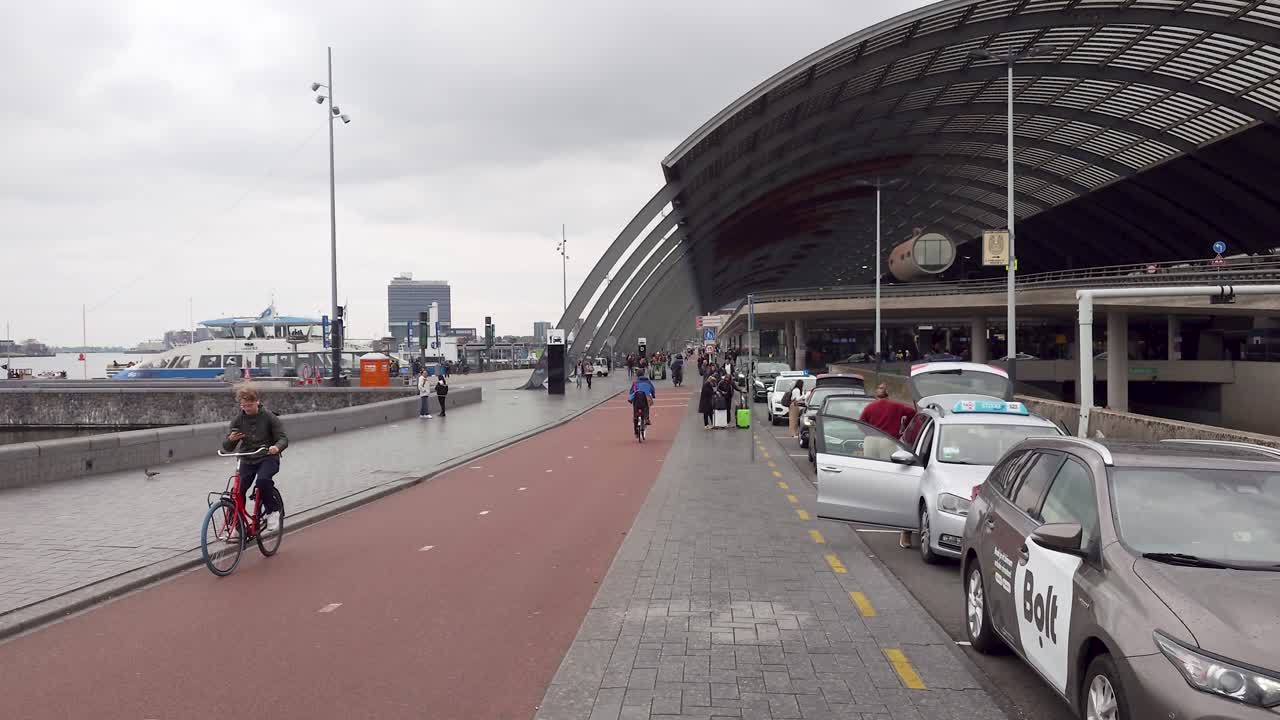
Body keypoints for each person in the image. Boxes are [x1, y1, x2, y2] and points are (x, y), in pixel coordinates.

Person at [858, 383, 918, 548]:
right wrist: (904, 428)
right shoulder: (897, 406)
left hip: (871, 440)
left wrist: (869, 434)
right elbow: (914, 414)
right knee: (890, 472)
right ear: (888, 395)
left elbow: (860, 423)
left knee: (872, 472)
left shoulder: (870, 407)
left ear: (876, 396)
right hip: (888, 440)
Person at [221, 384, 286, 533]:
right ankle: (238, 526)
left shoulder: (269, 417)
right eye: (244, 406)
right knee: (238, 491)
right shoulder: (238, 420)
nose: (247, 409)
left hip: (267, 456)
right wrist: (230, 439)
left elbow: (283, 438)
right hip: (247, 458)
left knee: (262, 481)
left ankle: (272, 511)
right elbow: (228, 447)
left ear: (257, 401)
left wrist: (276, 447)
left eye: (249, 405)